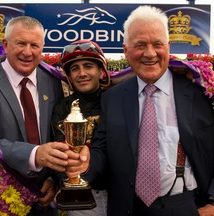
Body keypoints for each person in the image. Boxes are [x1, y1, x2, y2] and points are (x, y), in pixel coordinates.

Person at [65, 5, 214, 216]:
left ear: (168, 47)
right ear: (126, 50)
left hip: (184, 206)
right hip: (126, 207)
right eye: (140, 45)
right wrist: (85, 164)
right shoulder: (113, 98)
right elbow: (102, 150)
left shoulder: (199, 92)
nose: (150, 53)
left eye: (157, 44)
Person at [0, 16, 70, 215]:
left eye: (35, 45)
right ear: (5, 45)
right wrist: (35, 154)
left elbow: (57, 134)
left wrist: (53, 179)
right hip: (0, 197)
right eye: (21, 43)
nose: (27, 52)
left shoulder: (52, 81)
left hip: (44, 198)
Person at [51, 40, 110, 216]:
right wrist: (66, 183)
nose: (82, 73)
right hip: (80, 197)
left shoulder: (116, 100)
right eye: (75, 68)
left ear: (101, 72)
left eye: (88, 66)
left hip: (120, 192)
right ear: (69, 76)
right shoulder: (62, 108)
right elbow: (57, 150)